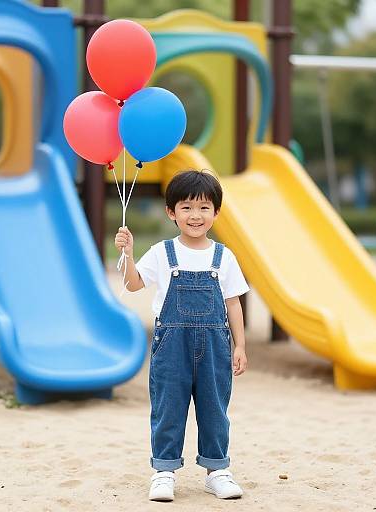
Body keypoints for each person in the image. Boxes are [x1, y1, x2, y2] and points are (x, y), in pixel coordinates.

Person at [114, 169, 249, 502]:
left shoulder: (224, 257)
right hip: (171, 346)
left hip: (216, 347)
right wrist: (128, 255)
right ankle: (164, 471)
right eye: (186, 207)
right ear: (171, 212)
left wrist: (240, 345)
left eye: (204, 208)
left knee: (215, 408)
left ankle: (217, 470)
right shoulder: (162, 253)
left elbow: (233, 303)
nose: (195, 215)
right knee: (168, 407)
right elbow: (133, 284)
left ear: (216, 212)